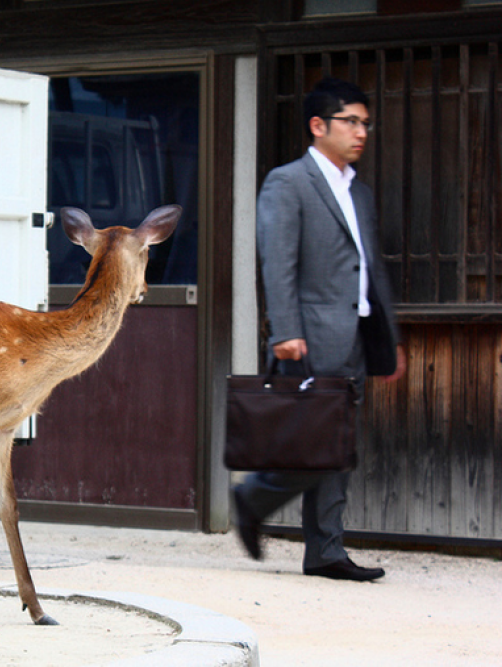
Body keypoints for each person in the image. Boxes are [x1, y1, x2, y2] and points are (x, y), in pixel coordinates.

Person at [232, 77, 406, 581]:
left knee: (338, 445)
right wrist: (283, 330)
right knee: (319, 441)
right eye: (351, 121)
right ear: (318, 125)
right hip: (307, 335)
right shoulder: (289, 182)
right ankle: (254, 498)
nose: (361, 132)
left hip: (355, 334)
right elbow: (277, 261)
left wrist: (387, 341)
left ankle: (324, 550)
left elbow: (371, 269)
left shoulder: (360, 193)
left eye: (365, 123)